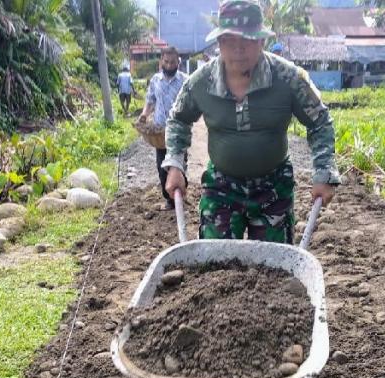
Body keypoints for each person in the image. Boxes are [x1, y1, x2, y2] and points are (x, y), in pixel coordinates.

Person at [161, 0, 338, 244]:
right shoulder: (200, 83)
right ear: (219, 42)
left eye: (247, 41)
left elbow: (320, 122)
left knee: (275, 268)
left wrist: (324, 172)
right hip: (222, 186)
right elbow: (179, 119)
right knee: (215, 263)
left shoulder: (288, 79)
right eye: (230, 41)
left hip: (273, 187)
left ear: (261, 41)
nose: (238, 49)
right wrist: (175, 165)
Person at [139, 47, 188, 211]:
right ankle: (170, 200)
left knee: (179, 166)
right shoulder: (155, 80)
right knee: (162, 167)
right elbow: (150, 100)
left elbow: (190, 105)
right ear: (161, 61)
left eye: (172, 62)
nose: (169, 65)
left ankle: (180, 196)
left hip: (178, 132)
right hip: (159, 133)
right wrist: (144, 115)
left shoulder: (185, 81)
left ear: (178, 62)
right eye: (166, 62)